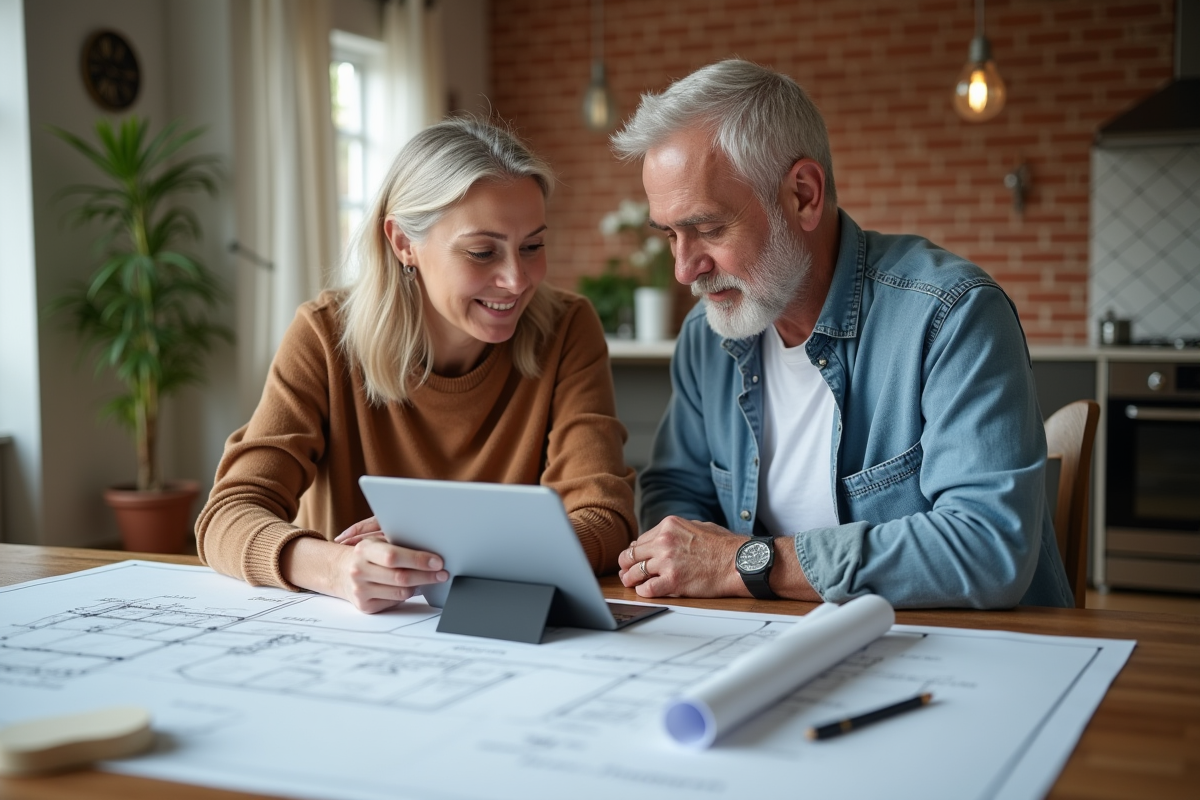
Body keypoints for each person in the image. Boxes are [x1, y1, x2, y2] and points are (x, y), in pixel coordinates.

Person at [610, 60, 1073, 609]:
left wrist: (746, 563)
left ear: (803, 195)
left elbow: (987, 547)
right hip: (775, 643)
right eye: (669, 235)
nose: (685, 269)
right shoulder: (704, 337)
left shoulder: (951, 316)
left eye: (708, 229)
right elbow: (676, 503)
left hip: (969, 654)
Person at [197, 118, 636, 613]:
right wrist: (337, 569)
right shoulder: (324, 335)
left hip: (506, 634)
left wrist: (452, 545)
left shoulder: (568, 328)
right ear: (404, 242)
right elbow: (228, 515)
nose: (516, 280)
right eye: (482, 251)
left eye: (532, 247)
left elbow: (604, 518)